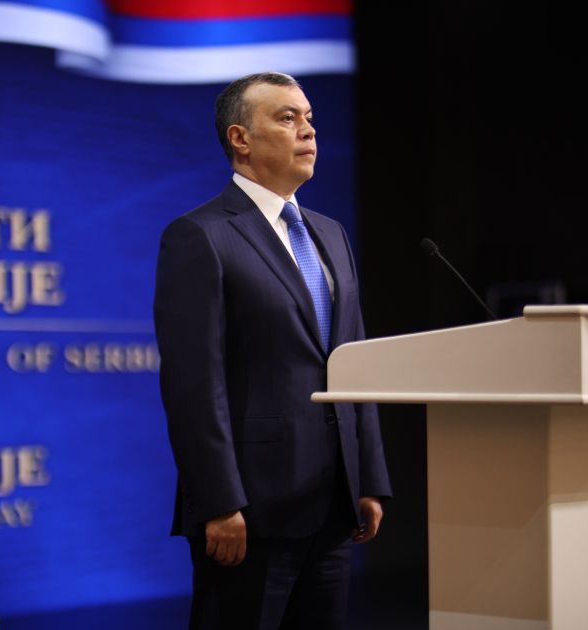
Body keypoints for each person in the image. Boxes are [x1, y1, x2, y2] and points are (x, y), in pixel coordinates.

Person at [153, 72, 392, 630]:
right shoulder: (201, 235)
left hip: (334, 503)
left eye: (309, 118)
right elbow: (193, 386)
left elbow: (354, 362)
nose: (308, 130)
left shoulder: (331, 234)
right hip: (250, 510)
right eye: (287, 118)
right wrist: (218, 501)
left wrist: (369, 477)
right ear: (240, 138)